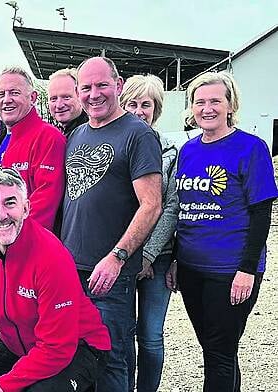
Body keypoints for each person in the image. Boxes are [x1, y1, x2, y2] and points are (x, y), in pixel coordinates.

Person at [0, 168, 111, 392]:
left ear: (26, 208)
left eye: (10, 203)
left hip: (79, 347)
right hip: (18, 346)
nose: (1, 215)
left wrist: (0, 387)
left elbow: (57, 347)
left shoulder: (51, 256)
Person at [170, 71, 277, 392]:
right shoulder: (188, 151)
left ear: (230, 105)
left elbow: (261, 214)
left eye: (216, 101)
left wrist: (247, 269)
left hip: (230, 271)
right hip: (191, 268)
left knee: (219, 352)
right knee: (217, 350)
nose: (207, 108)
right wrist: (176, 258)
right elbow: (182, 210)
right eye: (199, 102)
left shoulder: (250, 148)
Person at [61, 57, 162, 391]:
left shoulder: (138, 134)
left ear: (118, 86)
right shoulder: (76, 135)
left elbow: (152, 204)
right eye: (86, 87)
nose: (94, 94)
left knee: (111, 361)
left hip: (110, 275)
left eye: (102, 85)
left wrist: (117, 256)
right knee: (78, 359)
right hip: (71, 269)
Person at [119, 74, 179, 392]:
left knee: (151, 335)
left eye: (147, 105)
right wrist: (129, 252)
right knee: (123, 331)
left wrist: (149, 253)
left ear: (156, 109)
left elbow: (170, 208)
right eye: (133, 104)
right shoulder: (117, 146)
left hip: (157, 256)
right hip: (122, 254)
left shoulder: (171, 151)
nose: (140, 111)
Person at [0, 67, 66, 230]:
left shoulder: (49, 137)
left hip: (25, 245)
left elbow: (44, 204)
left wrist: (7, 238)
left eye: (14, 93)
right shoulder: (2, 141)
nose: (6, 100)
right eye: (1, 94)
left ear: (33, 97)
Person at [47, 68, 88, 138]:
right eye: (53, 99)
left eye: (66, 97)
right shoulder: (52, 134)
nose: (59, 105)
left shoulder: (93, 134)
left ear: (80, 96)